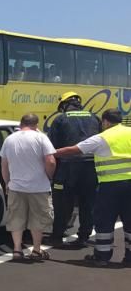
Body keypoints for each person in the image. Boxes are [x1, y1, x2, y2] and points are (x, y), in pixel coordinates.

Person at [54, 108, 131, 267]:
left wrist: (50, 153)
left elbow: (74, 150)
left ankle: (102, 257)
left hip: (110, 186)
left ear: (105, 122)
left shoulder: (103, 137)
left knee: (104, 221)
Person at [46, 91, 100, 247]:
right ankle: (83, 236)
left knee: (62, 203)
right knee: (87, 203)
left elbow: (51, 147)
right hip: (91, 167)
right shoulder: (94, 117)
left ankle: (57, 236)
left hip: (67, 167)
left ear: (64, 105)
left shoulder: (61, 119)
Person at [0, 113, 57, 261]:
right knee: (37, 220)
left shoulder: (9, 139)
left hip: (16, 187)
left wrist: (7, 182)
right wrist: (49, 176)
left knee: (16, 219)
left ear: (21, 123)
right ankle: (36, 250)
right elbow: (51, 161)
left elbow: (4, 164)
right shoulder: (41, 138)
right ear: (36, 125)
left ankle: (17, 250)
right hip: (39, 187)